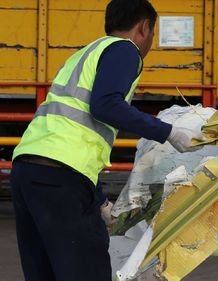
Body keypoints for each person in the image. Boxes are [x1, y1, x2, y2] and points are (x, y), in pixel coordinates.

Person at [10, 0, 204, 280]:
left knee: (44, 272)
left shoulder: (85, 54)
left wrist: (99, 201)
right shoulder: (125, 50)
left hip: (28, 171)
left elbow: (76, 136)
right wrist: (170, 133)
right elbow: (105, 106)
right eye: (152, 34)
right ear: (144, 27)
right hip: (61, 177)